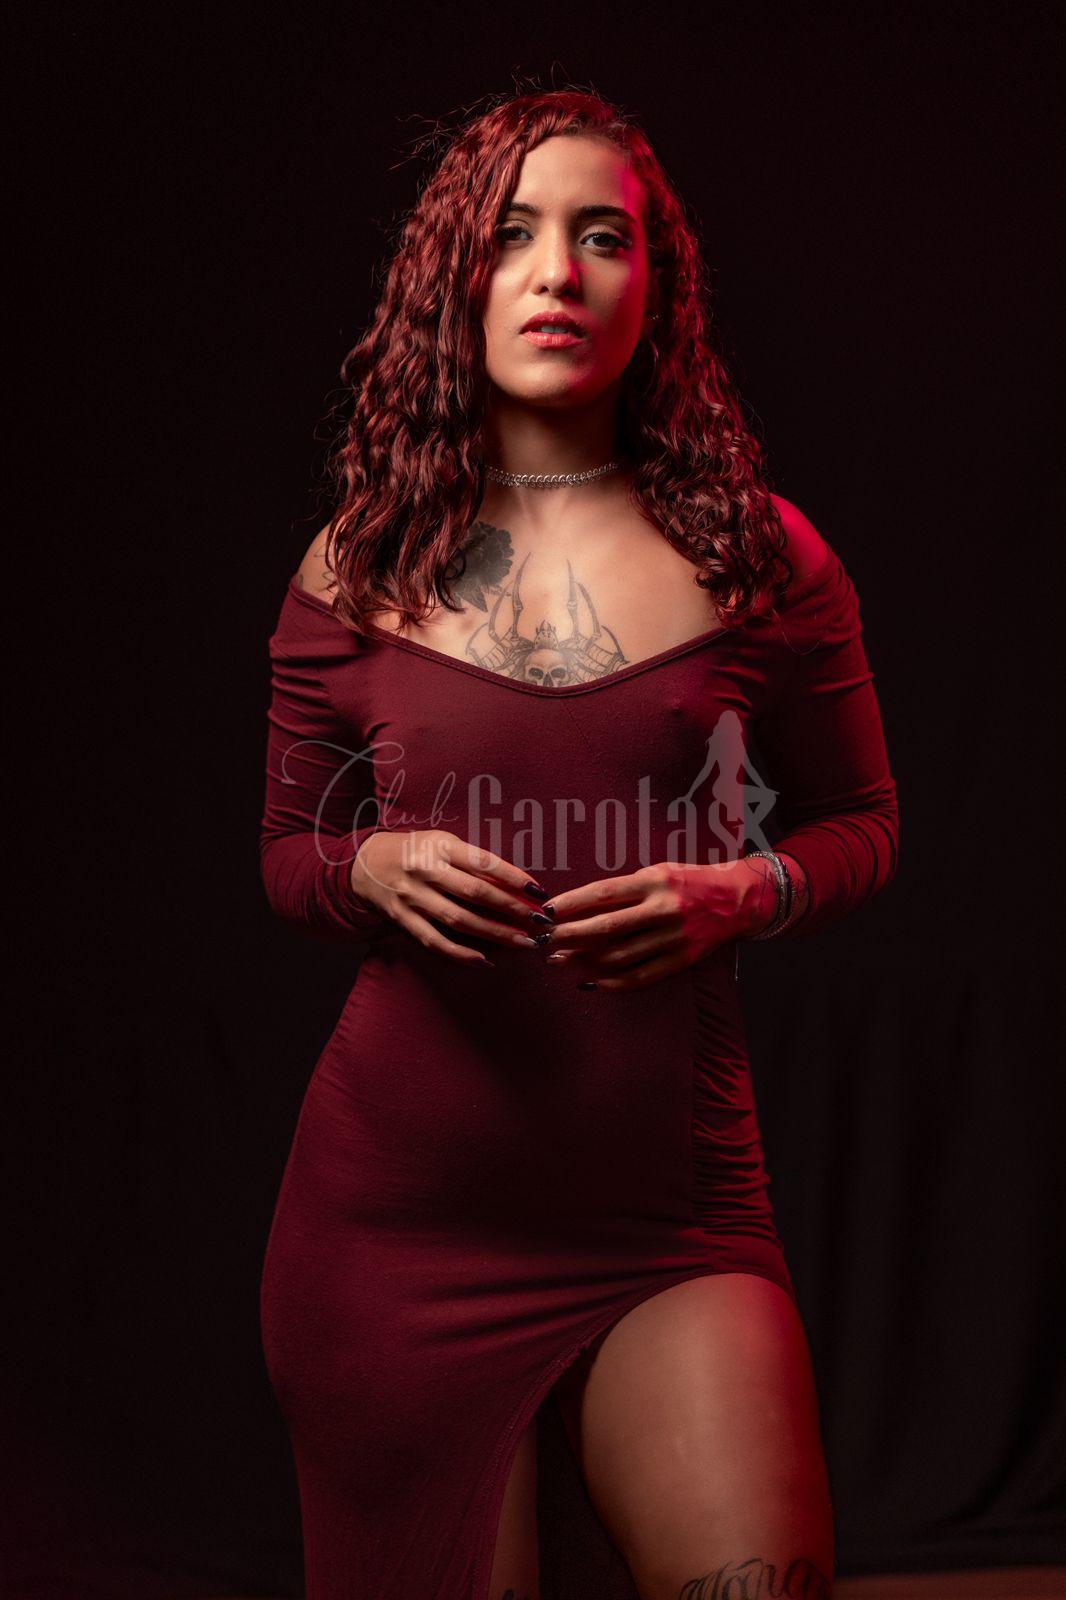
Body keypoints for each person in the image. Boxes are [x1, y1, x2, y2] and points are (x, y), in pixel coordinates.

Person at [258, 86, 899, 1600]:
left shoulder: (762, 555)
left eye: (602, 236)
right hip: (393, 1228)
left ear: (653, 287)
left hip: (669, 1218)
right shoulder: (359, 565)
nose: (557, 271)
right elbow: (286, 851)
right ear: (455, 278)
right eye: (512, 235)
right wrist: (365, 870)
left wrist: (747, 889)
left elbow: (863, 825)